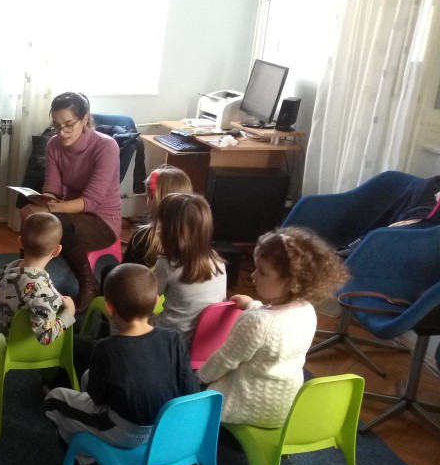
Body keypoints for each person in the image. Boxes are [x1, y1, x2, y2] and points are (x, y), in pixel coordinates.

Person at [44, 263, 199, 465]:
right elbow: (189, 389)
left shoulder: (107, 348)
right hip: (163, 429)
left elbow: (97, 397)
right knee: (87, 376)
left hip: (124, 430)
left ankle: (84, 463)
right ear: (156, 301)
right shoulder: (173, 339)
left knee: (54, 399)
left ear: (109, 308)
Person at [199, 227, 348, 427]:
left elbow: (224, 360)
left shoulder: (257, 323)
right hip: (283, 406)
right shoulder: (307, 311)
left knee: (196, 395)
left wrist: (200, 378)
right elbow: (272, 322)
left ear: (292, 282)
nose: (252, 276)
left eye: (262, 271)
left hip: (245, 405)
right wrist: (251, 305)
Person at [19, 91, 122, 308]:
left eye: (68, 125)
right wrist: (41, 202)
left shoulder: (106, 146)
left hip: (102, 220)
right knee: (34, 220)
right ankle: (28, 279)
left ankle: (88, 283)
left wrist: (50, 209)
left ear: (84, 119)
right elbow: (53, 189)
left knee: (57, 225)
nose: (62, 132)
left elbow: (91, 201)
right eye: (56, 125)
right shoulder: (53, 144)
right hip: (69, 214)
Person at [151, 192, 227, 347]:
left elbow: (147, 300)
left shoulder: (167, 265)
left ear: (169, 230)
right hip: (205, 342)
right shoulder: (217, 261)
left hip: (172, 340)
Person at [0, 212, 76, 345]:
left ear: (20, 242)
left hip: (6, 329)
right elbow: (45, 338)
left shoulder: (7, 270)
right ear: (57, 250)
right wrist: (69, 313)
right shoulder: (42, 293)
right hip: (24, 343)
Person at [123, 165, 193, 267]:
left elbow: (125, 273)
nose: (145, 200)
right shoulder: (195, 238)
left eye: (148, 197)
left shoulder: (142, 237)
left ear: (155, 202)